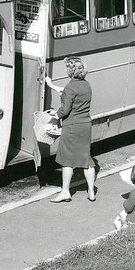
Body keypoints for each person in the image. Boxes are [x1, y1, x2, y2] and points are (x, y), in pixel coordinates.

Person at [45, 56, 97, 203]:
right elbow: (68, 94)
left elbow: (65, 109)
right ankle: (91, 192)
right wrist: (52, 85)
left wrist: (55, 115)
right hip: (85, 125)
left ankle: (65, 192)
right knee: (86, 159)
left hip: (72, 127)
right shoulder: (86, 85)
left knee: (67, 160)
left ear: (71, 70)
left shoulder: (70, 88)